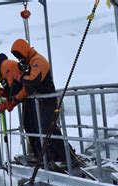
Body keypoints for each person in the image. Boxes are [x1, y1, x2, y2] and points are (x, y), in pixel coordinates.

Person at [9, 38, 75, 167]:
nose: (19, 59)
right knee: (44, 129)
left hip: (49, 101)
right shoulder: (30, 62)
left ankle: (69, 156)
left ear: (24, 51)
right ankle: (57, 155)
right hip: (41, 101)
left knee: (49, 128)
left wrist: (20, 77)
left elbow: (34, 80)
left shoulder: (38, 61)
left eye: (19, 55)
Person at [0, 54, 41, 161]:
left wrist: (8, 103)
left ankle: (42, 153)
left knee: (34, 124)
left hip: (33, 96)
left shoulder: (6, 67)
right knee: (29, 124)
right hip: (28, 97)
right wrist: (4, 93)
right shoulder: (1, 72)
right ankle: (39, 153)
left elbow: (17, 87)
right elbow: (11, 89)